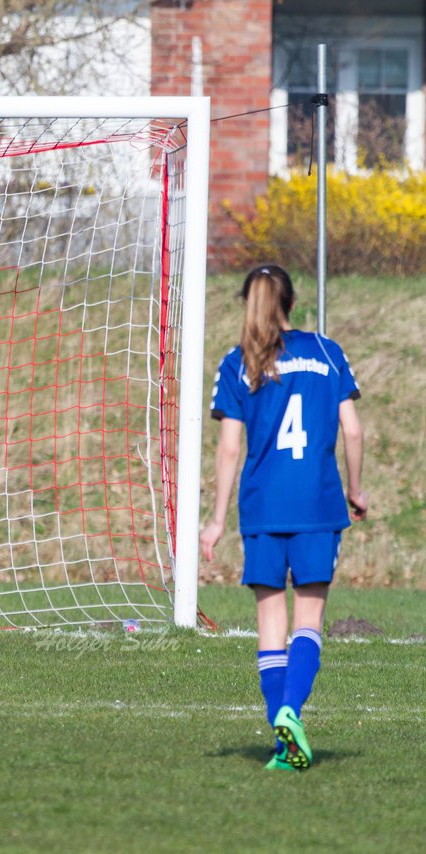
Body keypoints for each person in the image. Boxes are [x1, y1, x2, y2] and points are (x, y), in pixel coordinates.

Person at [200, 264, 366, 772]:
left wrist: (216, 520)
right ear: (291, 304)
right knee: (308, 621)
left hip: (263, 506)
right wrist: (356, 491)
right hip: (318, 503)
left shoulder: (238, 361)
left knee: (271, 623)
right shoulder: (326, 351)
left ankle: (283, 740)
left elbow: (229, 449)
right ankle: (291, 713)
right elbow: (353, 431)